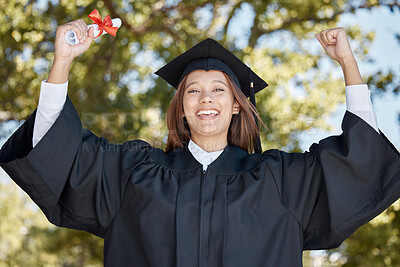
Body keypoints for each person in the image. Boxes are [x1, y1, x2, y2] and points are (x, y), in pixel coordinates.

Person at [1, 19, 400, 267]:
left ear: (237, 108)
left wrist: (348, 64)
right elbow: (59, 151)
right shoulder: (133, 175)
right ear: (182, 109)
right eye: (193, 90)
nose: (206, 98)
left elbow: (359, 160)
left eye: (218, 90)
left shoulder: (279, 180)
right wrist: (63, 62)